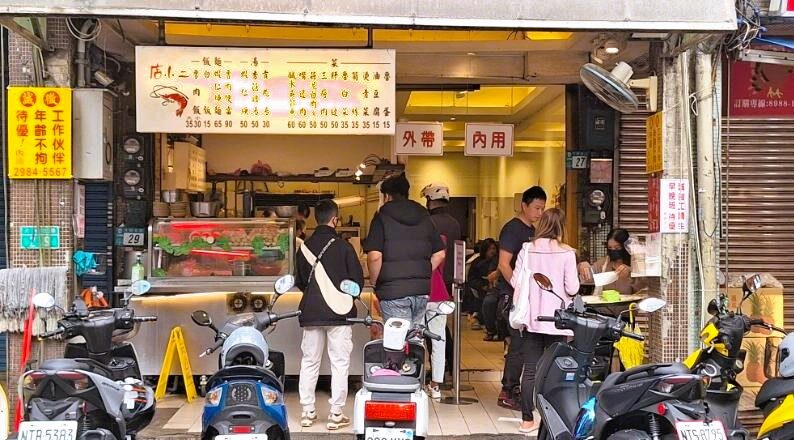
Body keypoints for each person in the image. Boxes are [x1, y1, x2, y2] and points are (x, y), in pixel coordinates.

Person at [295, 199, 364, 430]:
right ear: (335, 219)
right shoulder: (344, 247)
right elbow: (357, 281)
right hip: (339, 314)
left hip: (312, 312)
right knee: (340, 363)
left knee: (309, 361)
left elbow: (300, 281)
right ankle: (336, 414)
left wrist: (315, 296)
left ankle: (307, 412)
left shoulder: (303, 247)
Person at [510, 208, 579, 433]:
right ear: (561, 227)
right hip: (559, 321)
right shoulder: (567, 253)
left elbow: (515, 281)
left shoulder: (527, 249)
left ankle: (527, 420)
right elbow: (572, 288)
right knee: (556, 371)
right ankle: (552, 420)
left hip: (533, 319)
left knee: (530, 370)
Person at [364, 173, 446, 326]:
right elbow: (440, 254)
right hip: (421, 292)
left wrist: (375, 282)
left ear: (387, 196)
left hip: (393, 292)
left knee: (396, 343)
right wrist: (423, 273)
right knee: (414, 339)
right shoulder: (424, 214)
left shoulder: (382, 216)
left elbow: (374, 256)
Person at [495, 186, 546, 410]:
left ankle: (513, 388)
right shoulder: (512, 230)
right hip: (512, 297)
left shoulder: (532, 230)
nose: (539, 212)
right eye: (536, 207)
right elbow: (503, 264)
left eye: (543, 209)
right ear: (523, 205)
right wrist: (518, 289)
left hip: (526, 297)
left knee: (523, 346)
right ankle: (508, 390)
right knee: (518, 345)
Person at [420, 182, 462, 399]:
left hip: (424, 285)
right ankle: (439, 380)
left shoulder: (427, 222)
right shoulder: (455, 224)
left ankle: (417, 379)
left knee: (418, 336)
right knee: (440, 336)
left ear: (429, 200)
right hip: (445, 287)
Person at [577, 228, 648, 295]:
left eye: (617, 248)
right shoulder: (603, 264)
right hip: (605, 306)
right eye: (610, 248)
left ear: (625, 247)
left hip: (629, 306)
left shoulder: (635, 264)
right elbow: (586, 276)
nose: (613, 251)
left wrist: (630, 276)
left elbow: (643, 289)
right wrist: (582, 265)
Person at [469, 239, 499, 334]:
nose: (492, 251)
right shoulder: (477, 262)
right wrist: (482, 286)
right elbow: (472, 279)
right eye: (489, 248)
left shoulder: (498, 261)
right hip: (481, 287)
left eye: (494, 248)